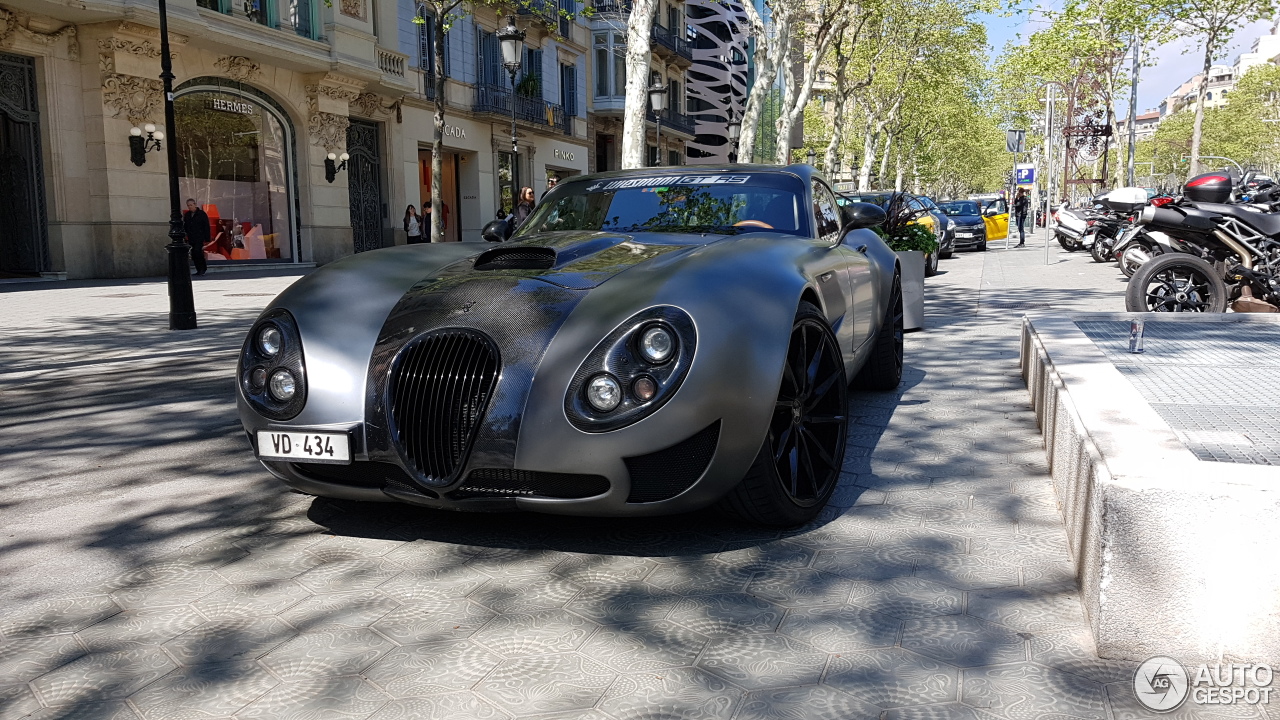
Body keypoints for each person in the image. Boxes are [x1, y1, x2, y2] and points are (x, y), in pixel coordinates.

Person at [181, 199, 210, 275]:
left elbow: (206, 226)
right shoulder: (187, 215)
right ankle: (199, 269)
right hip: (191, 237)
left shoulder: (201, 214)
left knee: (198, 252)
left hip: (199, 237)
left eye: (191, 205)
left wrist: (207, 238)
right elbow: (186, 226)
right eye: (188, 205)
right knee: (194, 253)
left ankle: (203, 268)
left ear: (195, 204)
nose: (190, 207)